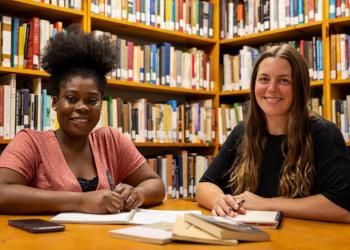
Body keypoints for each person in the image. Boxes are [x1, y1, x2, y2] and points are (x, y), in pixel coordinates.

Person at [0, 25, 165, 214]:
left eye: (91, 100)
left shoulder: (111, 141)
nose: (82, 107)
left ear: (101, 105)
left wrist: (137, 194)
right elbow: (2, 192)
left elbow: (156, 184)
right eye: (71, 98)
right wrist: (81, 201)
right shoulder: (31, 143)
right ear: (55, 102)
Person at [196, 44, 350, 223]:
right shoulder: (242, 132)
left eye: (283, 80)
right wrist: (218, 200)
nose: (271, 88)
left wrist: (266, 204)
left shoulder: (324, 133)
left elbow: (343, 207)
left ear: (299, 87)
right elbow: (204, 185)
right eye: (264, 79)